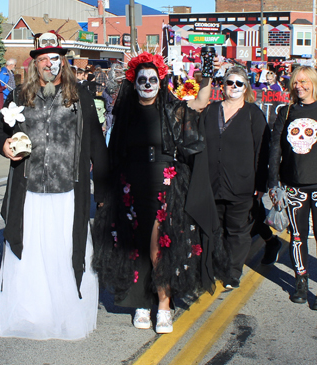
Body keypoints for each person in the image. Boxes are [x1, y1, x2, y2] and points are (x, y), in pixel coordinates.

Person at [93, 52, 228, 334]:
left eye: (153, 79)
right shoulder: (126, 114)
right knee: (136, 246)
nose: (147, 83)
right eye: (142, 79)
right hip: (131, 186)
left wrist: (206, 76)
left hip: (164, 185)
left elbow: (201, 102)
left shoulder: (172, 110)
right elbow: (114, 152)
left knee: (159, 247)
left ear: (160, 80)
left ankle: (164, 304)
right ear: (134, 81)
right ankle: (142, 302)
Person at [0, 31, 109, 340]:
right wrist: (5, 146)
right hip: (29, 192)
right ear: (35, 64)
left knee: (62, 252)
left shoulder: (80, 96)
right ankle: (34, 313)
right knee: (30, 254)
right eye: (42, 59)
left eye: (54, 58)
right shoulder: (19, 96)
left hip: (67, 191)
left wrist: (106, 188)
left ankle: (64, 312)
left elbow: (96, 141)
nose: (48, 64)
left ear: (63, 62)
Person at [268, 65, 317, 311]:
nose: (299, 86)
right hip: (293, 185)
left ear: (314, 83)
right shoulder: (286, 111)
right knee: (298, 237)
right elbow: (275, 149)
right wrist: (273, 182)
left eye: (304, 82)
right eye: (295, 82)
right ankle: (300, 282)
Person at [204, 66, 271, 289]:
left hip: (242, 183)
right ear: (222, 86)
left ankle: (233, 272)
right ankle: (215, 266)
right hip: (212, 181)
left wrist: (261, 184)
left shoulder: (253, 114)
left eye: (239, 83)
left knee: (238, 230)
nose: (234, 87)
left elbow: (263, 149)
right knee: (215, 228)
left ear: (246, 88)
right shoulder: (211, 110)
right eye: (230, 82)